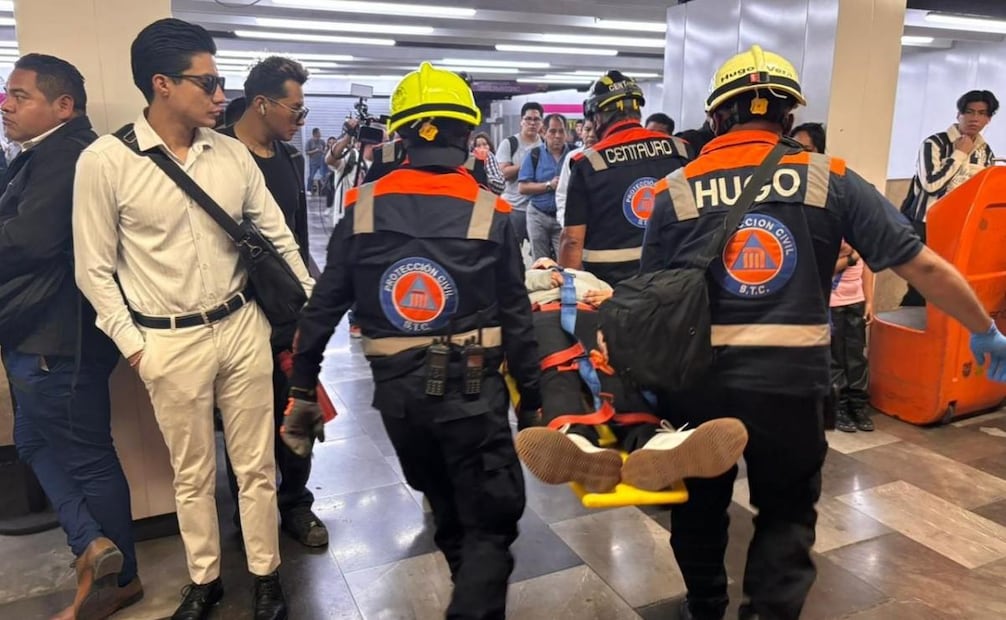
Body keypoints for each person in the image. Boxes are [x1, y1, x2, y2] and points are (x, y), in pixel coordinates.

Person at [642, 44, 1006, 620]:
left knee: (699, 505)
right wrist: (983, 328)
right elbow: (923, 264)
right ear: (788, 118)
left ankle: (705, 606)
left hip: (699, 384)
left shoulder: (672, 190)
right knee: (786, 514)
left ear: (717, 117)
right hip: (790, 388)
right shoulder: (830, 177)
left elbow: (655, 298)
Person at [73, 18, 313, 620]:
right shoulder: (106, 162)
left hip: (241, 328)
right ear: (161, 84)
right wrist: (135, 346)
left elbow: (280, 241)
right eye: (207, 82)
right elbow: (93, 270)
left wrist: (312, 308)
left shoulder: (231, 154)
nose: (219, 95)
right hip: (166, 340)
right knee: (192, 473)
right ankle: (204, 579)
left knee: (255, 465)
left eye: (219, 81)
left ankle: (266, 576)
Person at [282, 62, 541, 620]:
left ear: (401, 134)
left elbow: (322, 309)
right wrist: (537, 404)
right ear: (466, 137)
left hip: (400, 407)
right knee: (490, 528)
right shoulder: (493, 212)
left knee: (448, 513)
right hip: (474, 402)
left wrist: (302, 389)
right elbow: (518, 319)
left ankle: (465, 586)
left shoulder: (362, 208)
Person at [0, 53, 141, 620]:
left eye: (19, 95)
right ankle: (92, 545)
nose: (6, 105)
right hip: (37, 335)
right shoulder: (42, 156)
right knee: (33, 441)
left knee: (88, 458)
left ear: (63, 105)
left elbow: (28, 241)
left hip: (57, 341)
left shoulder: (70, 156)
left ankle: (120, 577)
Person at [514, 259, 749, 493]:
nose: (546, 263)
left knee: (615, 372)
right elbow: (510, 299)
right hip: (543, 317)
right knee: (559, 370)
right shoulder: (525, 279)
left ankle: (655, 441)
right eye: (540, 263)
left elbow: (619, 297)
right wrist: (544, 277)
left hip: (593, 316)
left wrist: (611, 297)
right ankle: (576, 442)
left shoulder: (586, 277)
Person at [217, 56, 328, 548]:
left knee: (297, 407)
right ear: (261, 104)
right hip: (234, 310)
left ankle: (296, 504)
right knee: (245, 420)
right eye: (296, 110)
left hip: (286, 309)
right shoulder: (213, 153)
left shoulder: (289, 158)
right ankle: (251, 510)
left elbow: (297, 238)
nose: (299, 121)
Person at [559, 71, 691, 285]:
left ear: (598, 116)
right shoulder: (680, 150)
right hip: (670, 282)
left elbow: (572, 240)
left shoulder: (587, 163)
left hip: (607, 288)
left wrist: (568, 294)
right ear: (637, 110)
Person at [790, 123, 875, 433]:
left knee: (856, 356)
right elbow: (819, 263)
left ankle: (858, 406)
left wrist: (869, 299)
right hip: (826, 300)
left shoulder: (834, 192)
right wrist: (849, 256)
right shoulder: (797, 199)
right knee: (833, 359)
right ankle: (837, 408)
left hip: (854, 298)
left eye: (806, 150)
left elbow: (866, 258)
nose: (798, 155)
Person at [900, 90, 998, 306]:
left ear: (988, 119)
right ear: (958, 115)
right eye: (969, 112)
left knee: (950, 285)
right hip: (927, 226)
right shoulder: (934, 144)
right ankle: (913, 335)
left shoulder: (985, 152)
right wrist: (959, 154)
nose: (974, 118)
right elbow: (932, 184)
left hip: (961, 228)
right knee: (921, 286)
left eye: (981, 113)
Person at [518, 113, 570, 260]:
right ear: (544, 133)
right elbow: (523, 187)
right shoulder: (534, 155)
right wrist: (548, 185)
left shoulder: (573, 156)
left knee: (564, 262)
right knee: (541, 263)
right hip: (538, 215)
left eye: (561, 131)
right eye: (552, 131)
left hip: (563, 217)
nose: (557, 136)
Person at [497, 101, 543, 249]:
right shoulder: (510, 143)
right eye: (528, 119)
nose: (532, 123)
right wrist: (525, 164)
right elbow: (503, 173)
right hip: (514, 208)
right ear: (521, 121)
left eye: (536, 119)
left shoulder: (544, 145)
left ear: (541, 123)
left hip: (537, 209)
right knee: (512, 251)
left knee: (540, 256)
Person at [555, 118, 597, 226]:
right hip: (575, 224)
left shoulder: (609, 156)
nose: (591, 134)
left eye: (595, 130)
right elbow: (562, 194)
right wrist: (565, 221)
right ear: (581, 132)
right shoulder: (572, 157)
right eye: (587, 130)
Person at [305, 127, 326, 194]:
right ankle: (308, 190)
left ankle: (324, 189)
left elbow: (324, 150)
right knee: (311, 176)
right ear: (315, 134)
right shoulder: (309, 142)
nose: (320, 134)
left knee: (323, 175)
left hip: (321, 161)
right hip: (313, 162)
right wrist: (315, 150)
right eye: (319, 132)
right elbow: (307, 152)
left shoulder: (322, 141)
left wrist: (323, 151)